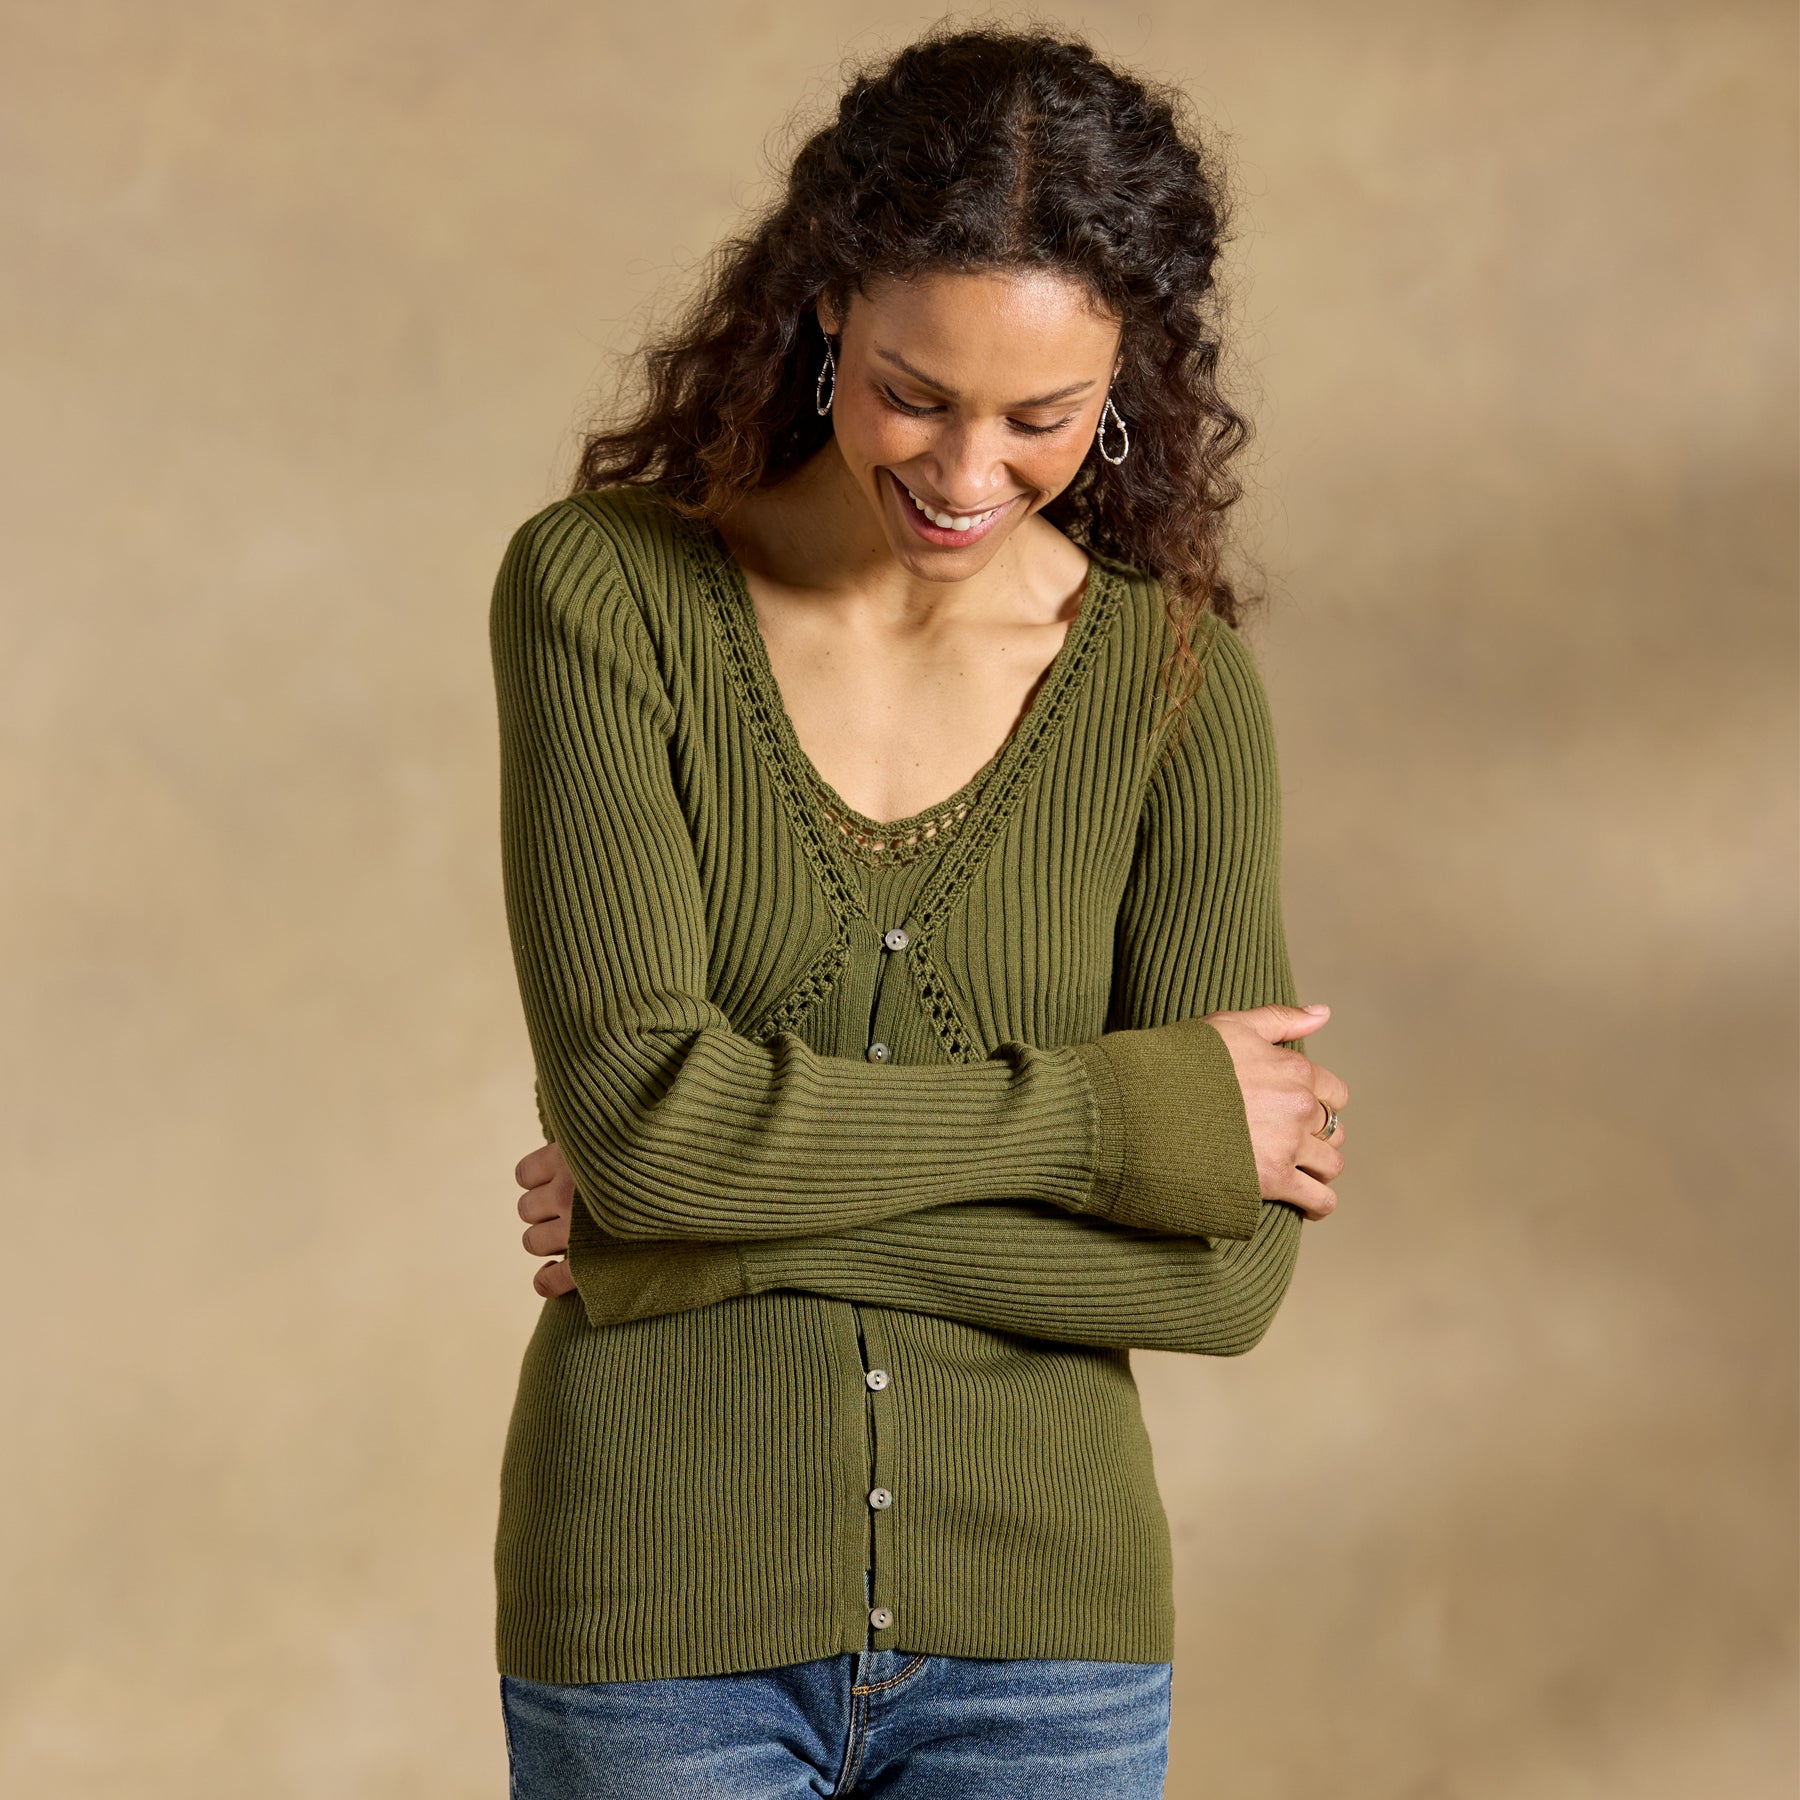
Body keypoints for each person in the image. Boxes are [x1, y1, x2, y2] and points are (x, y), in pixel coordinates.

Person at [486, 24, 1349, 1798]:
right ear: (825, 308)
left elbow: (1229, 1274)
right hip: (658, 1612)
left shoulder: (1174, 686)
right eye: (914, 394)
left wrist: (700, 1238)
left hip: (1051, 1642)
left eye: (1041, 419)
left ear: (1128, 372)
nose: (966, 474)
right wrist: (1122, 1114)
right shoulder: (608, 594)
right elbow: (644, 1127)